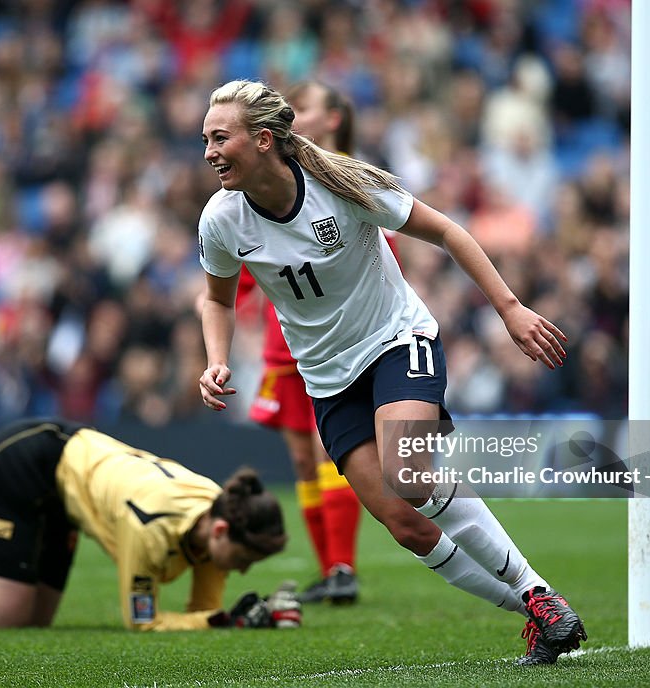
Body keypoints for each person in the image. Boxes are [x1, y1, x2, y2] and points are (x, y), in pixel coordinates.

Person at [196, 80, 586, 665]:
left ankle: (538, 596)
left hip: (396, 342)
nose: (207, 151)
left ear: (263, 140)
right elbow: (218, 300)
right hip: (327, 379)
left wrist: (509, 308)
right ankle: (542, 611)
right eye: (205, 139)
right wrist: (217, 358)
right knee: (406, 526)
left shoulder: (344, 186)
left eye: (219, 137)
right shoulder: (222, 221)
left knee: (409, 471)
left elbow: (448, 231)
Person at [0, 417, 300, 631]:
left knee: (34, 617)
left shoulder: (220, 513)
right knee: (4, 617)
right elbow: (144, 622)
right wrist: (222, 621)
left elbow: (204, 611)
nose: (240, 572)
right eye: (242, 560)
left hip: (69, 483)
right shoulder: (151, 528)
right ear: (219, 532)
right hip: (28, 463)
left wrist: (228, 621)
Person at [236, 80, 364, 605]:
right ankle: (328, 570)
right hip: (281, 342)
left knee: (327, 450)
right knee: (302, 461)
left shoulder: (350, 177)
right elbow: (249, 259)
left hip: (334, 339)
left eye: (302, 108)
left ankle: (343, 567)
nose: (292, 115)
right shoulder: (271, 182)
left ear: (332, 119)